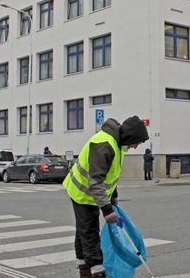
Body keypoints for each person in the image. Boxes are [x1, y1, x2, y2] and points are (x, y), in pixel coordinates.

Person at [63, 116, 149, 278]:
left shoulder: (118, 144)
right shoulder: (105, 145)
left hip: (92, 193)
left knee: (83, 230)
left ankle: (84, 269)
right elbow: (95, 181)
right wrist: (107, 210)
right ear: (131, 137)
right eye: (138, 142)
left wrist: (113, 196)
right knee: (89, 230)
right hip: (82, 192)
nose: (137, 146)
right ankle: (95, 271)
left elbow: (111, 174)